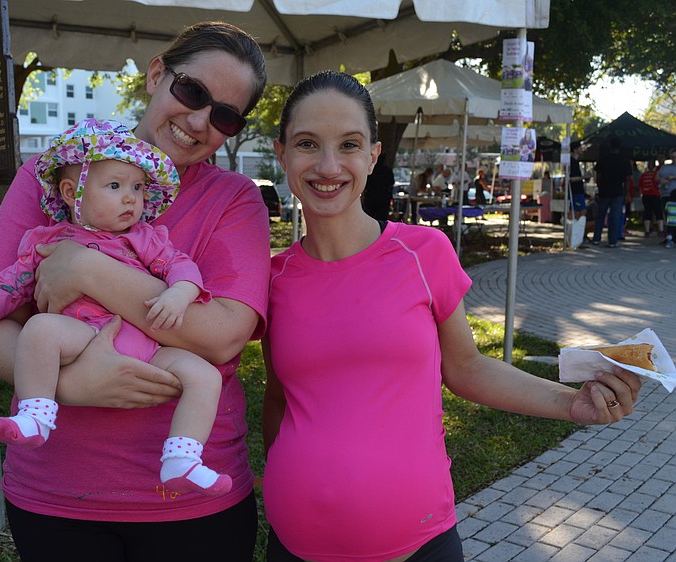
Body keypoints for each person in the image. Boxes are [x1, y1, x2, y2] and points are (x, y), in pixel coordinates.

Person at [262, 70, 642, 562]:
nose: (329, 164)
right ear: (282, 154)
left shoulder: (424, 252)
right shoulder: (271, 278)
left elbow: (468, 368)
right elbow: (277, 400)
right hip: (295, 547)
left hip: (419, 544)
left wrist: (573, 405)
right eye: (308, 143)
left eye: (349, 144)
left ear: (374, 155)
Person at [0, 22, 270, 560]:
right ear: (157, 74)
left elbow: (222, 337)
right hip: (56, 494)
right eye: (191, 91)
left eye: (223, 115)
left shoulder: (234, 199)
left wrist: (83, 268)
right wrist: (73, 385)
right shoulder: (51, 174)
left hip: (192, 507)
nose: (199, 121)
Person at [0, 119, 232, 497]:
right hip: (83, 335)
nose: (130, 198)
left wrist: (180, 294)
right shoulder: (48, 242)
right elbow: (5, 286)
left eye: (137, 187)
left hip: (148, 344)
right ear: (72, 192)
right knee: (40, 330)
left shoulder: (146, 238)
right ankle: (36, 415)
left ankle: (182, 458)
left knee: (205, 376)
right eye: (115, 186)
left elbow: (182, 266)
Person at [592, 136, 632, 247]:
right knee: (615, 217)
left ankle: (596, 238)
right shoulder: (624, 160)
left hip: (604, 191)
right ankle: (612, 240)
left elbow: (598, 176)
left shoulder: (603, 159)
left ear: (610, 146)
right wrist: (627, 193)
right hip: (617, 192)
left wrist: (599, 188)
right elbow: (628, 179)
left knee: (600, 216)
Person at [361, 151, 395, 221]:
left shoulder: (371, 170)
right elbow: (391, 182)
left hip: (372, 196)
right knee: (380, 217)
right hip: (382, 197)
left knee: (370, 216)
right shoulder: (387, 170)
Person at [637, 159, 664, 238]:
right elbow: (660, 185)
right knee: (658, 213)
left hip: (646, 196)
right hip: (655, 195)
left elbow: (640, 187)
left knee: (647, 213)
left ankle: (647, 231)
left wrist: (641, 195)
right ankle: (661, 231)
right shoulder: (656, 174)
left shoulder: (643, 175)